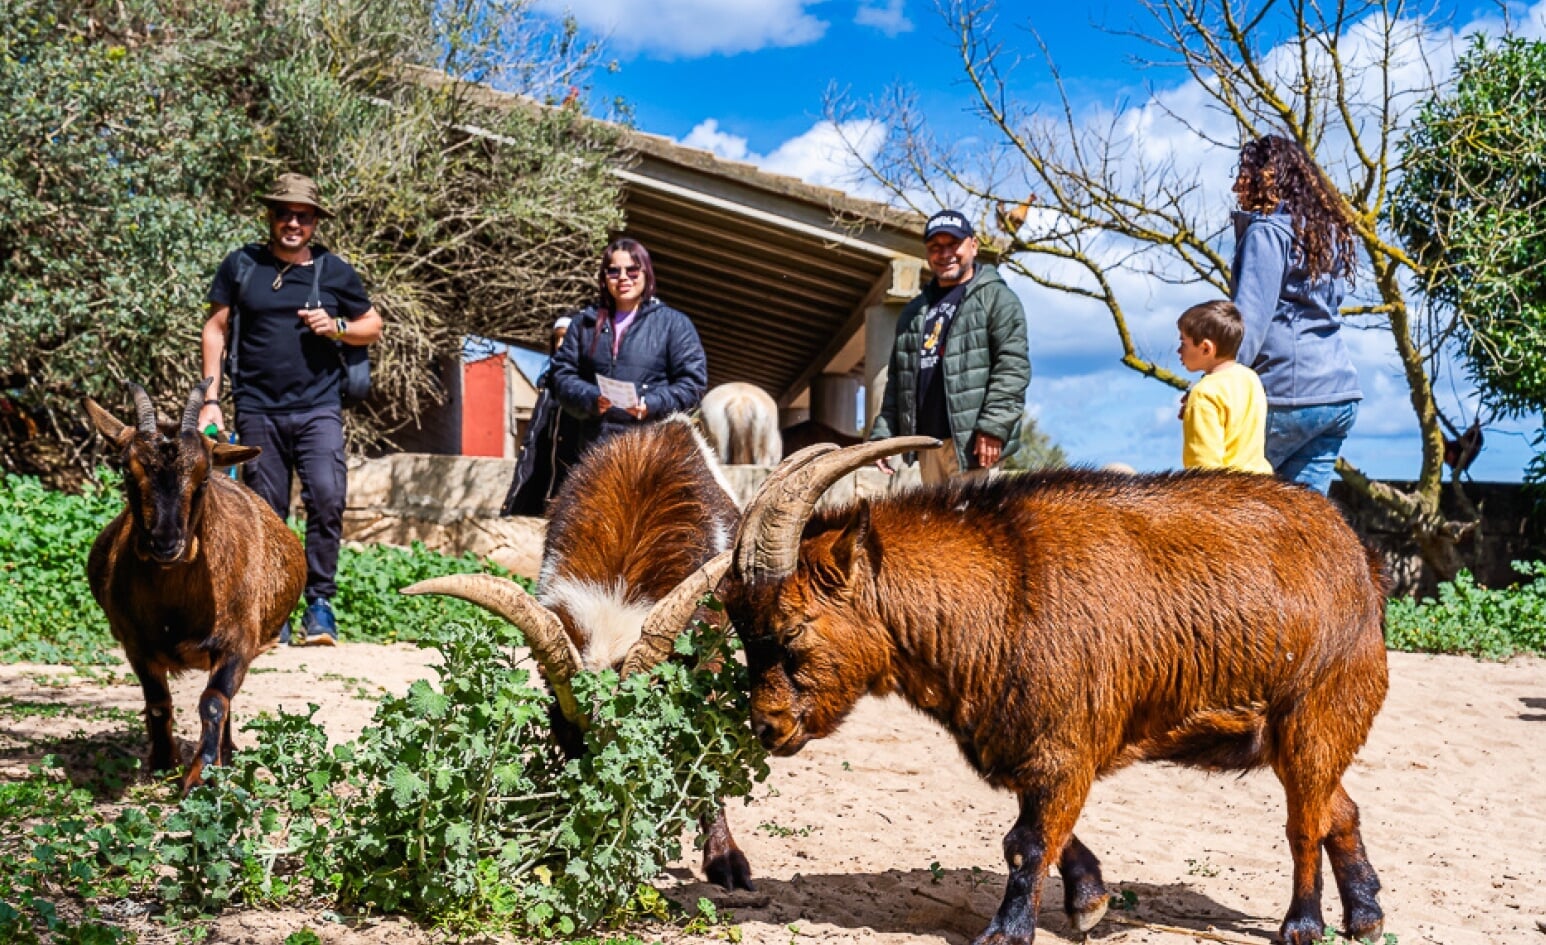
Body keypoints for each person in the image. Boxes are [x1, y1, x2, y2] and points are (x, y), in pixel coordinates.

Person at [197, 173, 383, 646]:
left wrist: (336, 325)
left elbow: (372, 325)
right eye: (284, 213)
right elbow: (215, 330)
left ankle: (319, 605)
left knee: (326, 496)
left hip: (319, 406)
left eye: (302, 215)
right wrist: (210, 400)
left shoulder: (335, 271)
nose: (292, 222)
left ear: (316, 221)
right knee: (266, 510)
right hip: (257, 407)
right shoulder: (241, 265)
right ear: (271, 217)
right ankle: (273, 607)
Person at [1230, 134, 1362, 494]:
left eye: (1245, 172)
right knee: (1302, 530)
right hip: (1336, 396)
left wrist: (1218, 384)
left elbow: (1250, 319)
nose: (1236, 183)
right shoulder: (1326, 234)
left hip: (1284, 393)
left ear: (1268, 177)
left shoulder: (1267, 231)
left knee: (1233, 509)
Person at [870, 209, 1030, 484]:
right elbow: (898, 382)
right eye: (935, 247)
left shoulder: (998, 299)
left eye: (953, 244)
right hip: (927, 448)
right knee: (935, 528)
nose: (945, 254)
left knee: (974, 526)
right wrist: (883, 437)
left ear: (973, 245)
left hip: (973, 448)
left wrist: (993, 427)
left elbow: (1012, 369)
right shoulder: (914, 311)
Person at [549, 237, 707, 467]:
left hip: (654, 451)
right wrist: (592, 399)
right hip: (596, 453)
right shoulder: (583, 324)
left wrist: (650, 404)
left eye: (632, 270)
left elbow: (693, 383)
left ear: (646, 273)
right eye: (613, 271)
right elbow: (562, 376)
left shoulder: (674, 324)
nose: (623, 277)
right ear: (604, 277)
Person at [1176, 300, 1272, 474]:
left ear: (1206, 348)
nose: (1178, 351)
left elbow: (1204, 467)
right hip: (1261, 485)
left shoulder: (1203, 394)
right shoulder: (1250, 378)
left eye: (1183, 343)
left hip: (1229, 493)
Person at [500, 315, 573, 516]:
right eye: (556, 338)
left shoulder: (587, 389)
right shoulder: (548, 384)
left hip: (566, 491)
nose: (560, 345)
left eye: (566, 338)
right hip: (537, 487)